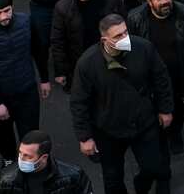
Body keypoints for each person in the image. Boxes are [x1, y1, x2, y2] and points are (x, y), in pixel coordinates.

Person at [69, 13, 174, 194]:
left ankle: (141, 186)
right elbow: (79, 101)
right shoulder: (87, 63)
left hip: (143, 123)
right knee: (113, 179)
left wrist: (165, 109)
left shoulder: (143, 48)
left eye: (125, 32)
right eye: (118, 36)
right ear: (105, 40)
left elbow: (161, 79)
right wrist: (84, 137)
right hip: (108, 131)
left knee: (153, 167)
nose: (124, 38)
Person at [124, 0, 184, 156]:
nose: (165, 1)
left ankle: (175, 134)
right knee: (152, 114)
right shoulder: (135, 18)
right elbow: (128, 51)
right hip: (150, 80)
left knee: (179, 110)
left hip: (179, 77)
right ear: (148, 0)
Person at [50, 0, 124, 92]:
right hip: (81, 61)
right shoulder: (62, 8)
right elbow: (58, 41)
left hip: (109, 57)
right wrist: (60, 70)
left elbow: (124, 25)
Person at [0, 0, 41, 166]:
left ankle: (30, 164)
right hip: (2, 96)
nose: (3, 17)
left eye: (6, 11)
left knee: (30, 134)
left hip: (27, 89)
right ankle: (9, 162)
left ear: (12, 7)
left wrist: (44, 79)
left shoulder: (26, 22)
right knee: (3, 135)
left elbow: (38, 50)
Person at [0, 130, 94, 193]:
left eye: (28, 156)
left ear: (44, 157)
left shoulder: (74, 176)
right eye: (20, 153)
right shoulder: (6, 179)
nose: (21, 159)